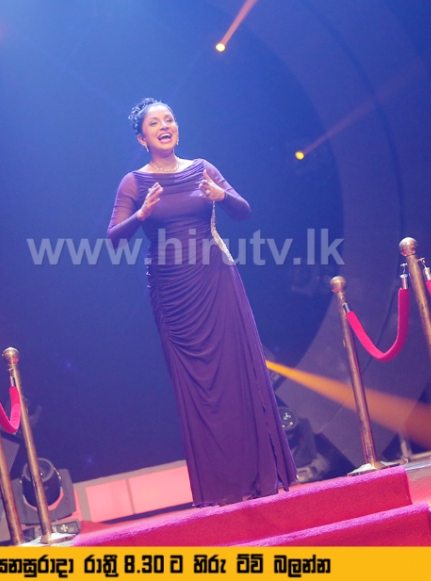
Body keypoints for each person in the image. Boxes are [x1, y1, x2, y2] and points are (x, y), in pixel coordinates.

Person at [107, 98, 297, 506]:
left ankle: (260, 475)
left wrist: (220, 195)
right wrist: (141, 215)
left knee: (236, 373)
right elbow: (113, 237)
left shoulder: (202, 168)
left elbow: (243, 211)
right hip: (173, 291)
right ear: (142, 138)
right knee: (197, 385)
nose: (165, 126)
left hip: (217, 280)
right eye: (155, 123)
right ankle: (221, 487)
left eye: (170, 119)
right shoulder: (134, 182)